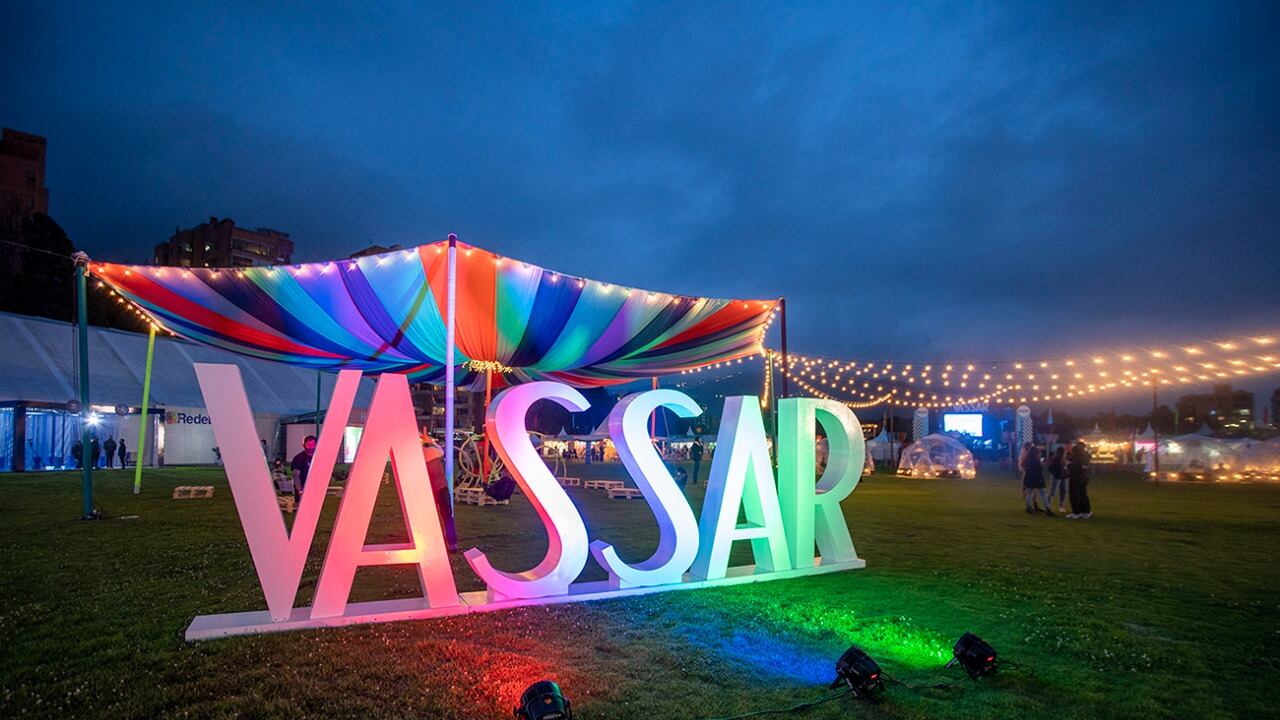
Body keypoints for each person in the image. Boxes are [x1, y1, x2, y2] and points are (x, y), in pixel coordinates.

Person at [422, 435, 458, 552]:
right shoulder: (432, 451)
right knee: (447, 517)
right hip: (442, 488)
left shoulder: (420, 455)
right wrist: (431, 442)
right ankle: (452, 543)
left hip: (430, 490)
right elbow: (442, 452)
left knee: (430, 517)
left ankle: (431, 542)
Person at [1019, 443, 1053, 516]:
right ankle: (1047, 508)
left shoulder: (1026, 459)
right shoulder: (1036, 461)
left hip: (1028, 478)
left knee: (1029, 493)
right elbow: (1039, 469)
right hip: (1037, 478)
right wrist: (1041, 463)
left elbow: (1023, 468)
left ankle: (1029, 507)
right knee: (1042, 493)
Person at [1067, 442, 1093, 519]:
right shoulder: (1085, 457)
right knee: (1082, 495)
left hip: (1076, 478)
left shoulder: (1076, 459)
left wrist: (1068, 466)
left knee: (1074, 495)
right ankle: (1084, 512)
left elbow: (1074, 468)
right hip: (1084, 477)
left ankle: (1076, 512)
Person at [290, 435, 317, 502]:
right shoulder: (299, 458)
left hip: (315, 490)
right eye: (308, 445)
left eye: (312, 445)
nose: (310, 447)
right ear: (304, 445)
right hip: (302, 490)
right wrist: (300, 491)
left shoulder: (318, 457)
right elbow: (296, 475)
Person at [1046, 446, 1068, 514]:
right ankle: (1048, 505)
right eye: (1063, 452)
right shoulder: (1055, 459)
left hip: (1064, 478)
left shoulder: (1063, 459)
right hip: (1057, 477)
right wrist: (1056, 474)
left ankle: (1061, 506)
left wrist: (1066, 473)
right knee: (1053, 492)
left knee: (1063, 491)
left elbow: (1065, 468)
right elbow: (1050, 468)